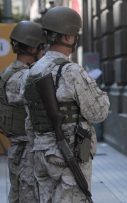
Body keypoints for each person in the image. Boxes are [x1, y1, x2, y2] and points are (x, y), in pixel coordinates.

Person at [22, 6, 110, 203]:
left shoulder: (30, 73)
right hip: (67, 155)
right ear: (69, 37)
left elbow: (30, 120)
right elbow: (99, 113)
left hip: (41, 154)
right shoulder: (71, 71)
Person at [0, 20, 46, 203]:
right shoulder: (25, 78)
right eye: (41, 47)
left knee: (17, 194)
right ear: (34, 48)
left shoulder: (7, 73)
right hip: (28, 149)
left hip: (16, 147)